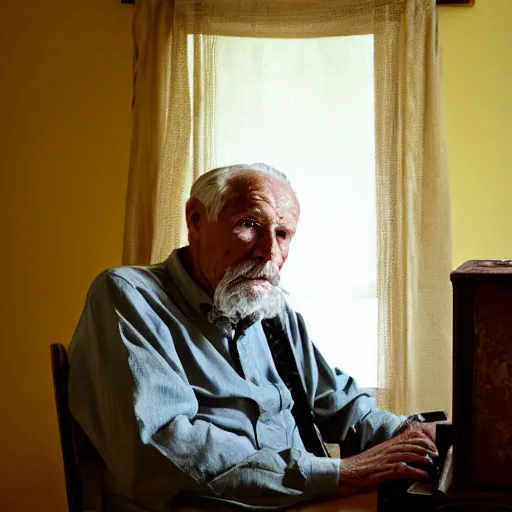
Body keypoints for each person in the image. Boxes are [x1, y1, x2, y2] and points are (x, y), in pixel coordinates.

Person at [69, 163, 439, 512]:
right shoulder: (127, 296)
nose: (269, 251)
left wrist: (413, 435)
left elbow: (342, 406)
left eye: (282, 234)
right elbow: (163, 449)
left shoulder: (271, 312)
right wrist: (338, 473)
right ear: (195, 220)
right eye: (249, 224)